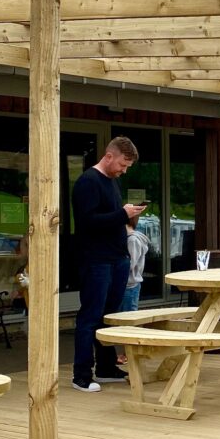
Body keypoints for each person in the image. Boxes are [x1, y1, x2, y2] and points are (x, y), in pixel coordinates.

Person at [70, 136, 146, 392]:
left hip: (117, 258)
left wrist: (125, 215)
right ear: (109, 155)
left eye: (127, 167)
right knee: (90, 316)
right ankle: (81, 374)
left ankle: (105, 367)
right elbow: (87, 221)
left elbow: (111, 218)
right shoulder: (88, 182)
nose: (123, 171)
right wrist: (122, 214)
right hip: (96, 259)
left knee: (109, 316)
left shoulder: (112, 182)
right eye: (122, 164)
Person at [115, 213, 150, 365]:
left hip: (130, 285)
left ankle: (129, 352)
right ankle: (126, 351)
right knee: (123, 319)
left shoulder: (133, 240)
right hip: (126, 284)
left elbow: (131, 263)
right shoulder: (130, 238)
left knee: (129, 320)